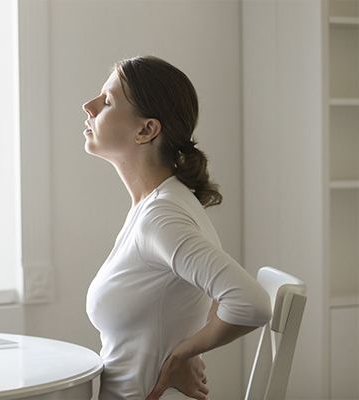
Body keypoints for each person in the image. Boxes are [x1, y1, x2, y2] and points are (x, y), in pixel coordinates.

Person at [83, 56, 272, 400]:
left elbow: (251, 303)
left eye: (107, 101)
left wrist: (182, 353)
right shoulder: (159, 204)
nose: (89, 106)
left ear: (146, 130)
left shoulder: (161, 216)